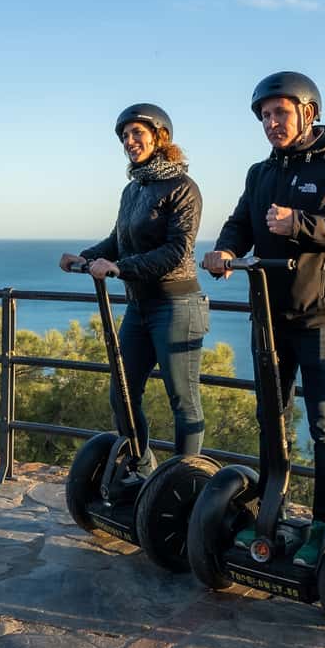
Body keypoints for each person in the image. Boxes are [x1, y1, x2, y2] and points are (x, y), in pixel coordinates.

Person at [203, 71, 325, 567]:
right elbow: (241, 222)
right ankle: (271, 513)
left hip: (323, 318)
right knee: (270, 418)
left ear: (308, 112)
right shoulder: (260, 173)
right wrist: (225, 250)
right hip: (269, 317)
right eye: (264, 115)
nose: (270, 123)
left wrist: (300, 223)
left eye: (279, 112)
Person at [60, 103, 208, 474]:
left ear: (160, 137)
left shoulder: (183, 188)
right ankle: (141, 469)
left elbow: (176, 251)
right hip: (139, 307)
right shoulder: (132, 190)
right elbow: (117, 241)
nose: (129, 141)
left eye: (137, 133)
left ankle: (183, 481)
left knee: (183, 400)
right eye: (125, 136)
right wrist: (84, 257)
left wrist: (120, 268)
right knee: (122, 395)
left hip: (176, 304)